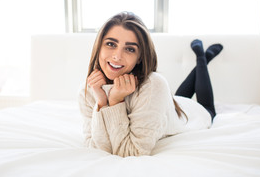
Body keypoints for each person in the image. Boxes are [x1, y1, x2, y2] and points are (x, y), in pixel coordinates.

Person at [78, 11, 223, 157]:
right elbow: (95, 147)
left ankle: (202, 57)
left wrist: (115, 101)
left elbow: (131, 152)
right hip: (167, 106)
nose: (117, 56)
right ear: (99, 47)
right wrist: (101, 102)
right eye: (110, 44)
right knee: (177, 97)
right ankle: (203, 56)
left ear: (140, 57)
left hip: (189, 115)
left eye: (129, 49)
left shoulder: (154, 85)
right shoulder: (89, 89)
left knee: (208, 109)